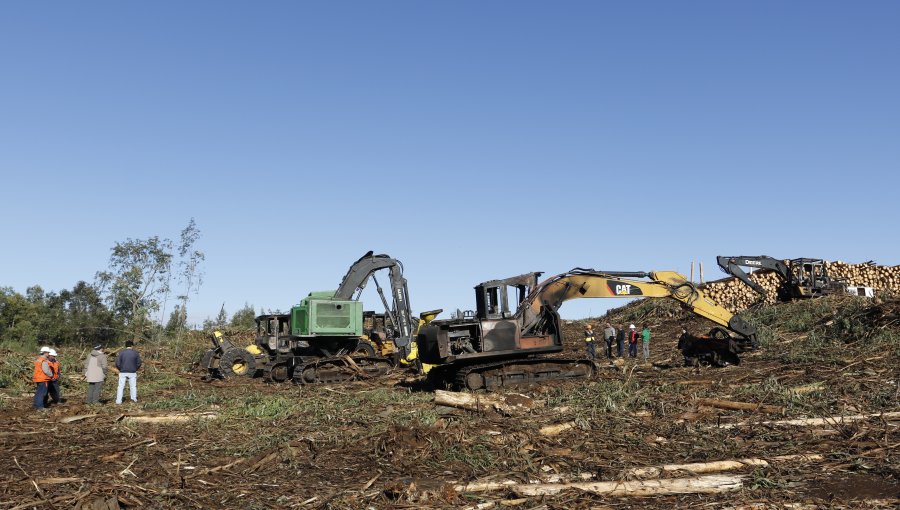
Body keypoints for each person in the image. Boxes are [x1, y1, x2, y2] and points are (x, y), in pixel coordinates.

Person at [115, 340, 142, 405]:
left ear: (125, 346)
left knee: (120, 387)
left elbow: (117, 363)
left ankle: (118, 401)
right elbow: (139, 363)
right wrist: (135, 369)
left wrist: (120, 369)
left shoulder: (121, 353)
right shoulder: (135, 353)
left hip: (123, 372)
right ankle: (134, 399)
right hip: (132, 372)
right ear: (132, 346)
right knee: (133, 386)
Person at [32, 346, 53, 411]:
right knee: (42, 393)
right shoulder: (44, 360)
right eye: (48, 352)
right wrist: (51, 375)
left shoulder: (39, 359)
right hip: (43, 379)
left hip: (38, 378)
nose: (48, 354)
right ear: (45, 353)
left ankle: (35, 405)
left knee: (38, 392)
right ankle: (40, 407)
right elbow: (46, 370)